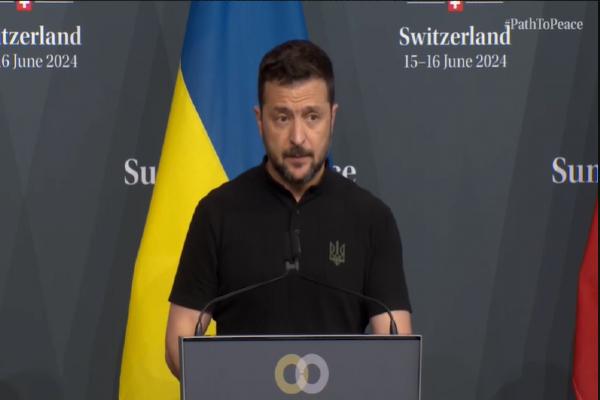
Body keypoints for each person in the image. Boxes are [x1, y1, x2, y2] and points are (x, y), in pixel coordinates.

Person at [165, 40, 412, 378]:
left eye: (312, 117)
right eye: (282, 117)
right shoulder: (217, 213)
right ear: (260, 121)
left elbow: (395, 344)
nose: (298, 137)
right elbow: (178, 343)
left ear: (332, 118)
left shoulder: (371, 218)